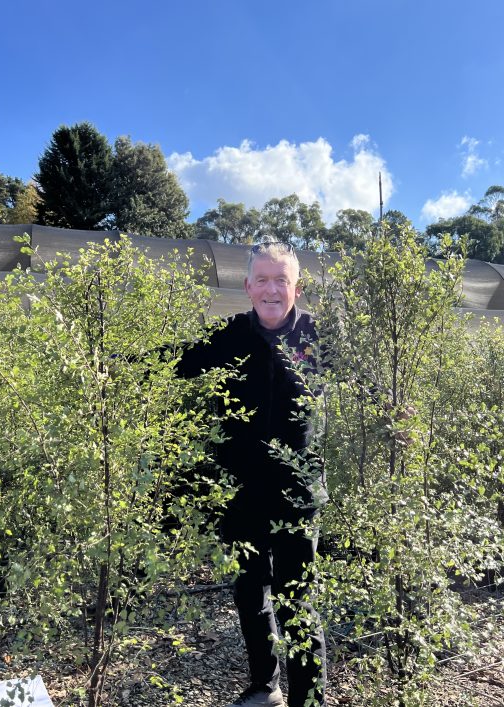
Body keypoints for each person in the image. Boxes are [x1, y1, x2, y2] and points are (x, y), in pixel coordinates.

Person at [173, 241, 327, 707]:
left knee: (297, 601)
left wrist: (398, 414)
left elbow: (370, 382)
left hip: (299, 496)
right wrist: (107, 372)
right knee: (249, 593)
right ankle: (266, 685)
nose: (271, 289)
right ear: (247, 287)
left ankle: (308, 701)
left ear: (297, 286)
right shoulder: (231, 335)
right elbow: (174, 359)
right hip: (240, 493)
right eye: (262, 279)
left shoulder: (320, 338)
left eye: (281, 279)